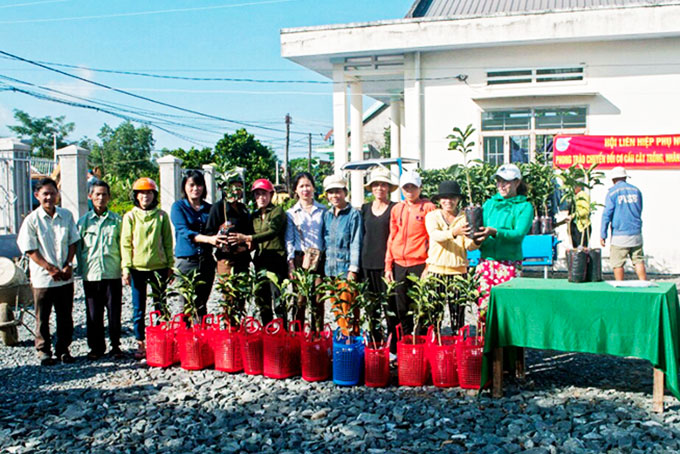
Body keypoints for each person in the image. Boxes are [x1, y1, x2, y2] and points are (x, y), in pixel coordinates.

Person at [17, 177, 79, 365]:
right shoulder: (31, 220)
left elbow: (73, 241)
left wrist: (68, 264)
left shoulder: (66, 216)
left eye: (53, 193)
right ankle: (44, 350)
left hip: (65, 276)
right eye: (45, 194)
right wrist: (49, 268)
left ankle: (63, 349)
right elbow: (30, 249)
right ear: (37, 196)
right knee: (43, 317)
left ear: (57, 195)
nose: (49, 197)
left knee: (65, 315)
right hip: (43, 278)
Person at [121, 177, 174, 359]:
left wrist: (170, 264)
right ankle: (140, 343)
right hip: (137, 268)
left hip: (159, 267)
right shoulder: (130, 217)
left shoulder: (161, 216)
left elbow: (167, 241)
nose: (145, 196)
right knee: (139, 308)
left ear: (154, 195)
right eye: (141, 193)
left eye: (149, 192)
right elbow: (126, 244)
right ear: (136, 196)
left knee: (160, 305)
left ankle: (161, 339)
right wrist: (126, 268)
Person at [473, 164, 533, 320]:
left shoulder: (524, 206)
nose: (501, 185)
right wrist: (476, 236)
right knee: (484, 308)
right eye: (499, 181)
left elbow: (518, 234)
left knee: (510, 309)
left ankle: (511, 344)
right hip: (486, 262)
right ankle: (487, 343)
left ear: (517, 183)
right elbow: (480, 228)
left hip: (509, 264)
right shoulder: (489, 204)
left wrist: (495, 232)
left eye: (506, 182)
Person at [228, 178, 287, 325]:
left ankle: (282, 334)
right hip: (261, 261)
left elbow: (272, 231)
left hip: (277, 261)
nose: (261, 198)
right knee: (262, 300)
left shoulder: (277, 212)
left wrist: (247, 238)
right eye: (257, 194)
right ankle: (267, 333)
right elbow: (249, 236)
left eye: (264, 194)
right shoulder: (253, 216)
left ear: (271, 195)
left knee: (279, 300)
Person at [76, 180, 124, 360]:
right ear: (90, 197)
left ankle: (116, 345)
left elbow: (123, 246)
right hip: (91, 274)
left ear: (109, 197)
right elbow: (78, 249)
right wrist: (81, 271)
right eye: (97, 194)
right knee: (93, 314)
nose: (101, 198)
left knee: (114, 312)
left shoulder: (117, 221)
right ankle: (96, 348)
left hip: (112, 273)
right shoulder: (83, 223)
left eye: (104, 194)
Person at [384, 170, 436, 337]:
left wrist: (429, 265)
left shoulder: (428, 208)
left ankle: (422, 340)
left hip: (420, 264)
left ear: (419, 188)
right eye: (406, 187)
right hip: (399, 264)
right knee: (402, 306)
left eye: (413, 187)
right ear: (401, 189)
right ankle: (406, 340)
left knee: (421, 304)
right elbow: (392, 237)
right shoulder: (396, 209)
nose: (409, 191)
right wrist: (388, 265)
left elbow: (433, 238)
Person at [424, 180, 478, 332]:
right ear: (439, 200)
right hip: (436, 271)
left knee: (457, 314)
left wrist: (478, 240)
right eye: (445, 198)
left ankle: (456, 344)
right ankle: (436, 347)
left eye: (452, 198)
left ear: (458, 199)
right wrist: (454, 232)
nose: (448, 201)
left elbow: (468, 245)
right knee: (434, 314)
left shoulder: (465, 217)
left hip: (458, 272)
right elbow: (435, 236)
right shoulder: (432, 216)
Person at [171, 170, 226, 320]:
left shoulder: (210, 209)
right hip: (187, 262)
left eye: (199, 185)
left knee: (201, 304)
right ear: (185, 187)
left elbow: (217, 228)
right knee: (186, 305)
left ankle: (201, 339)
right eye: (192, 185)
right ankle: (186, 340)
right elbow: (184, 231)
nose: (195, 189)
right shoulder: (178, 207)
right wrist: (209, 240)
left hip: (206, 261)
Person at [322, 174, 363, 335]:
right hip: (330, 270)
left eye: (338, 191)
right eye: (331, 192)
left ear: (345, 192)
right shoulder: (327, 215)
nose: (334, 196)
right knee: (336, 308)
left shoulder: (353, 214)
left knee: (349, 308)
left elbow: (355, 242)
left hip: (345, 270)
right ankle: (344, 340)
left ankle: (351, 341)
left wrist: (353, 270)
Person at [285, 172, 326, 329]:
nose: (305, 189)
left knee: (318, 299)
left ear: (314, 188)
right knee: (300, 300)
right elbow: (289, 239)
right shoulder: (291, 213)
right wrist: (290, 264)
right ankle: (299, 336)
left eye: (308, 185)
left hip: (318, 258)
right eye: (301, 186)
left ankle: (317, 337)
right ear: (295, 190)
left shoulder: (323, 210)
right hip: (300, 258)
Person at [360, 167, 397, 343]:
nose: (379, 188)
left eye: (383, 185)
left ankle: (393, 347)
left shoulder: (394, 208)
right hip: (367, 264)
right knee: (371, 309)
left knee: (390, 308)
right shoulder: (365, 209)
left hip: (387, 266)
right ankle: (376, 344)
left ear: (389, 188)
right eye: (376, 185)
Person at [600, 166, 646, 281]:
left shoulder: (612, 193)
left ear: (613, 179)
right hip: (636, 232)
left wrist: (603, 234)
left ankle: (620, 285)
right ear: (625, 177)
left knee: (617, 263)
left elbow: (607, 215)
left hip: (620, 234)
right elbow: (639, 209)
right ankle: (644, 283)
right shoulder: (636, 190)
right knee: (638, 260)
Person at [206, 173, 251, 277]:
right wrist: (221, 239)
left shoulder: (243, 208)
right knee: (229, 290)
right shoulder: (218, 208)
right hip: (226, 259)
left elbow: (249, 231)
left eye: (239, 187)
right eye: (232, 187)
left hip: (243, 258)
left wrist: (246, 243)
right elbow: (209, 232)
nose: (236, 191)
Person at [569, 180, 591, 248]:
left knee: (582, 249)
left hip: (582, 227)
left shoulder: (582, 195)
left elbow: (586, 211)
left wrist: (574, 215)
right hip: (576, 226)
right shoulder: (575, 196)